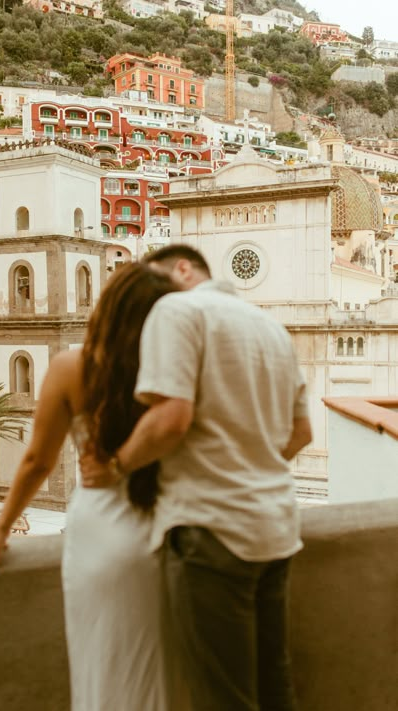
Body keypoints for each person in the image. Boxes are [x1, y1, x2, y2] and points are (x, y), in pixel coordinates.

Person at [81, 244, 312, 711]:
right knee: (274, 683)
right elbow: (301, 433)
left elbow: (170, 419)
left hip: (212, 530)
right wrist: (250, 463)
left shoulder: (176, 309)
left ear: (182, 269)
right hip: (277, 529)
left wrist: (115, 466)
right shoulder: (268, 326)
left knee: (223, 697)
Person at [0, 262, 187, 711]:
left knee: (100, 662)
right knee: (165, 670)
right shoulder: (179, 375)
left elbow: (36, 461)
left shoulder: (73, 367)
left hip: (100, 535)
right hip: (171, 533)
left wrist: (0, 530)